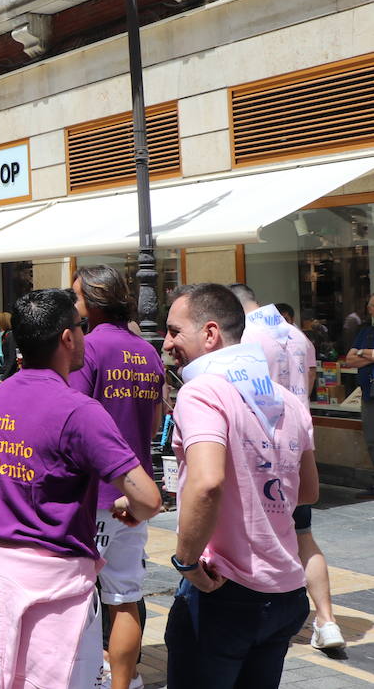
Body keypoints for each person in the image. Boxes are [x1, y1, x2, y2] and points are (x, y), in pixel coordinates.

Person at [0, 289, 161, 689]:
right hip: (56, 594)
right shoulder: (79, 410)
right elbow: (149, 498)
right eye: (80, 327)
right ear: (67, 338)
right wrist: (131, 508)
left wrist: (5, 501)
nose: (85, 335)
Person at [163, 284, 317, 688]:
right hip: (285, 591)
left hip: (223, 590)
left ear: (210, 333)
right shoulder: (288, 399)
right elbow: (308, 492)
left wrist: (187, 563)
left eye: (174, 331)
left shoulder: (201, 391)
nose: (167, 344)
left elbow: (207, 483)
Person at [231, 284, 344, 652]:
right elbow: (307, 384)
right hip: (298, 442)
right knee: (303, 534)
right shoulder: (296, 334)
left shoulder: (244, 336)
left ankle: (263, 615)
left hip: (262, 446)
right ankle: (327, 621)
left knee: (258, 533)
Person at [68, 266, 165, 689]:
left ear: (92, 302)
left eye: (76, 296)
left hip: (91, 493)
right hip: (134, 493)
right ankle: (127, 681)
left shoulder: (88, 349)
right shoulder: (148, 352)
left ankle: (86, 676)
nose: (73, 305)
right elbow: (155, 422)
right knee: (124, 597)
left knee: (79, 596)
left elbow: (72, 418)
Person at [343, 293, 374, 497]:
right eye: (371, 306)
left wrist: (362, 353)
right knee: (371, 441)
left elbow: (357, 356)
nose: (372, 309)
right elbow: (350, 359)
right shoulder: (365, 332)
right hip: (369, 395)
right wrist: (369, 354)